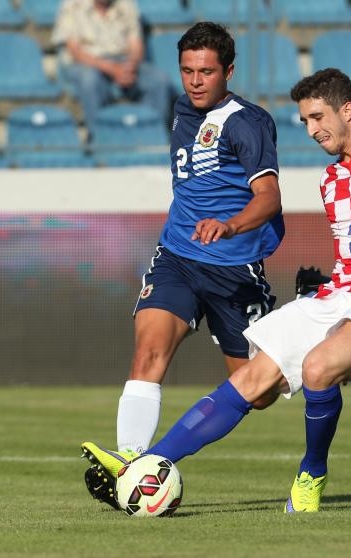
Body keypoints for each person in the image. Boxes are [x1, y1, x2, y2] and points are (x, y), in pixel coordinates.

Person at [84, 67, 351, 513]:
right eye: (305, 121)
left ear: (347, 109)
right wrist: (326, 284)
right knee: (250, 379)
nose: (311, 130)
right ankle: (144, 466)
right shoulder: (332, 179)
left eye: (317, 117)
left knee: (317, 368)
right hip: (341, 292)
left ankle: (312, 472)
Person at [80, 22, 285, 508]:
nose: (196, 81)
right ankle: (131, 465)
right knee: (148, 353)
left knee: (259, 392)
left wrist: (231, 225)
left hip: (235, 270)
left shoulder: (247, 122)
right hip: (177, 256)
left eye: (206, 72)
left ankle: (303, 331)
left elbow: (270, 197)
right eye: (188, 71)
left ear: (228, 71)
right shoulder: (181, 109)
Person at [52, 0, 174, 132]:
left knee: (158, 79)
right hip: (86, 63)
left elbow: (136, 45)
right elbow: (75, 51)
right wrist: (112, 69)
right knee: (90, 80)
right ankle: (99, 137)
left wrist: (130, 66)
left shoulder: (126, 4)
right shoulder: (72, 5)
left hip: (123, 60)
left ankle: (152, 135)